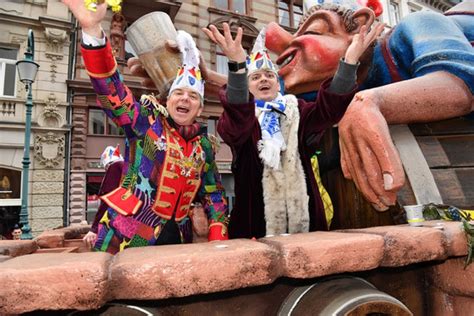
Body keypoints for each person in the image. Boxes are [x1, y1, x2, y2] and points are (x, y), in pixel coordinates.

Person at [265, 0, 474, 211]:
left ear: (360, 26)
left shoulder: (417, 26)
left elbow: (462, 84)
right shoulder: (318, 90)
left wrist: (368, 102)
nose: (287, 49)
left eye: (314, 31)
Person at [62, 0, 229, 254]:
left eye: (193, 97)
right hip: (126, 235)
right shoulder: (146, 120)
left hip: (178, 239)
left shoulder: (204, 145)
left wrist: (218, 241)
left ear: (199, 108)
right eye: (179, 93)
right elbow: (113, 93)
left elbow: (214, 194)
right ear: (168, 99)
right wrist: (93, 34)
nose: (185, 99)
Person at [202, 21, 383, 238]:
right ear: (248, 86)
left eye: (269, 75)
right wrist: (238, 67)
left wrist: (350, 61)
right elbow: (238, 114)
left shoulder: (298, 110)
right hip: (255, 230)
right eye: (256, 77)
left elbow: (330, 108)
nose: (263, 79)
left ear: (278, 84)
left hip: (305, 228)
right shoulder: (241, 119)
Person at [83, 145, 124, 248]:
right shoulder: (125, 167)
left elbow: (108, 199)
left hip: (118, 222)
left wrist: (94, 229)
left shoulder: (114, 168)